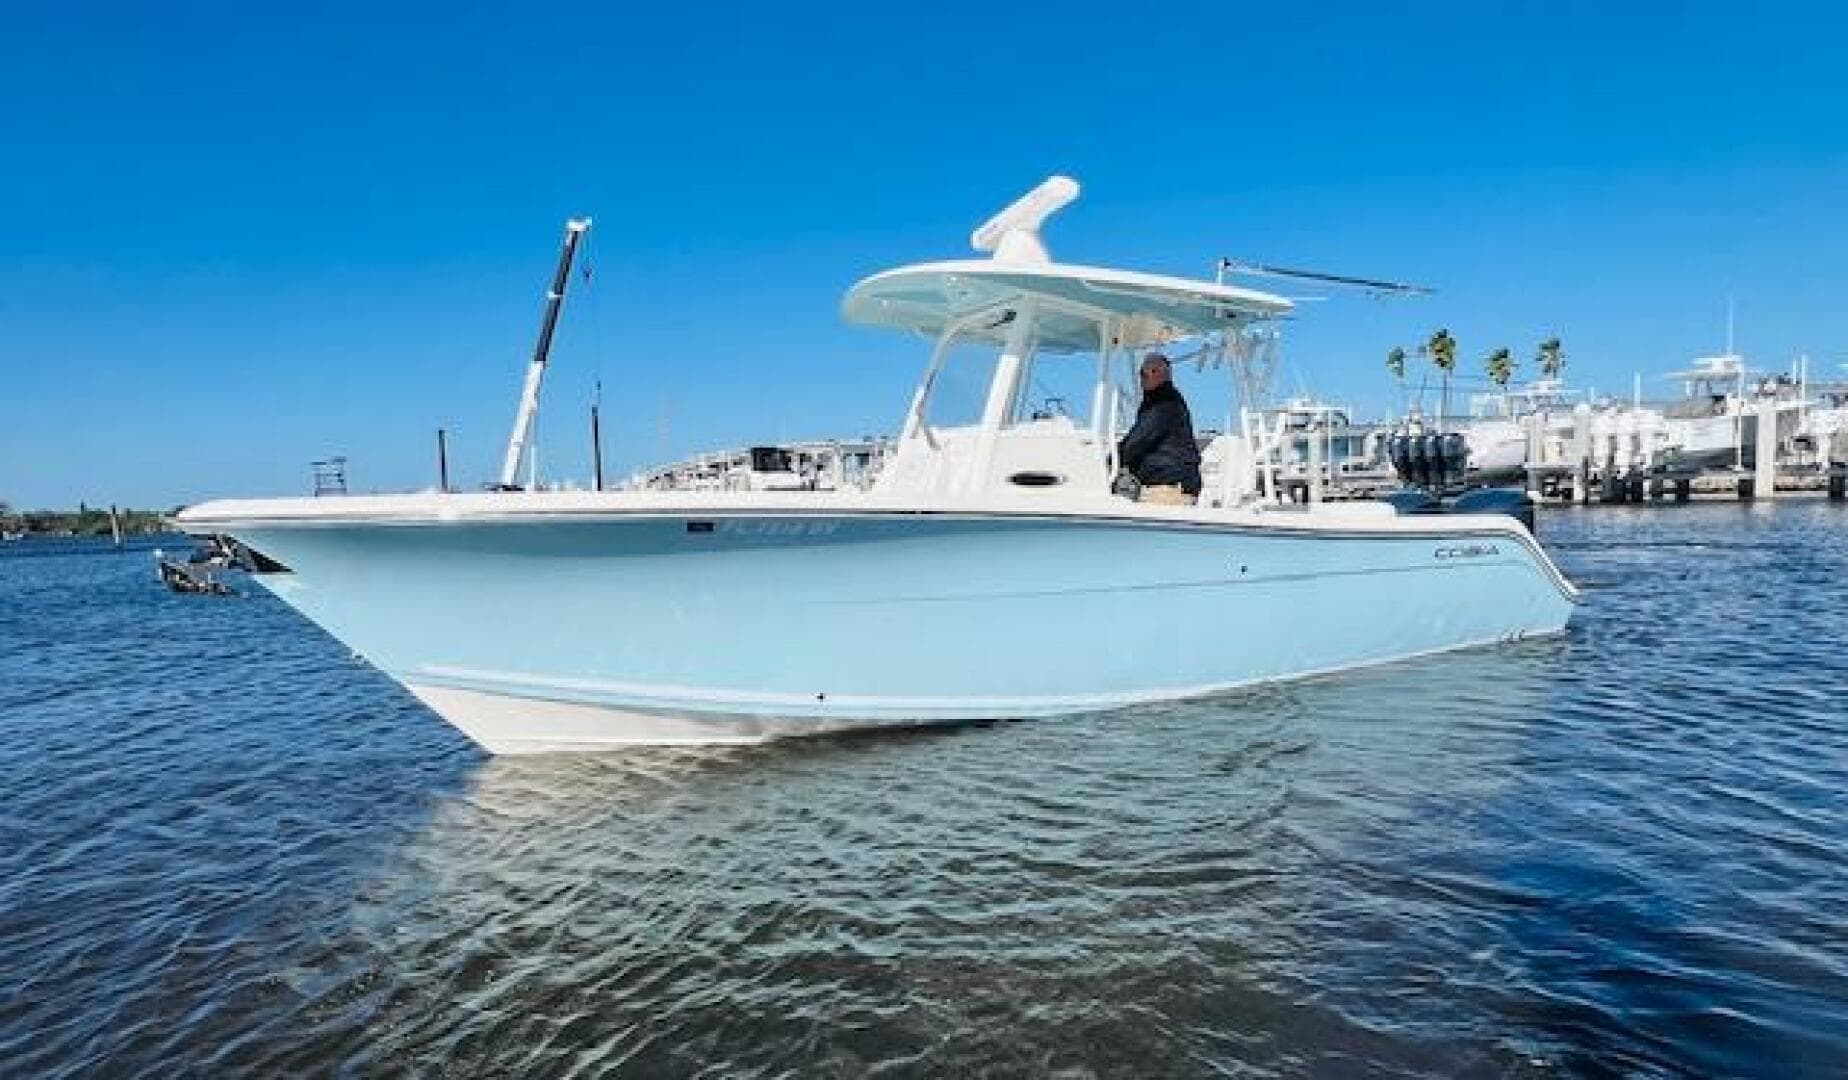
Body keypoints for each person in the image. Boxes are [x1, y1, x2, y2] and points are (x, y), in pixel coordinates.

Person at [1116, 352, 1201, 504]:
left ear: (1159, 373)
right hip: (1170, 484)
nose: (1141, 379)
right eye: (1140, 374)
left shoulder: (1164, 403)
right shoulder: (1160, 402)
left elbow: (1140, 439)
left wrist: (1113, 459)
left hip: (1168, 486)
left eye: (1144, 374)